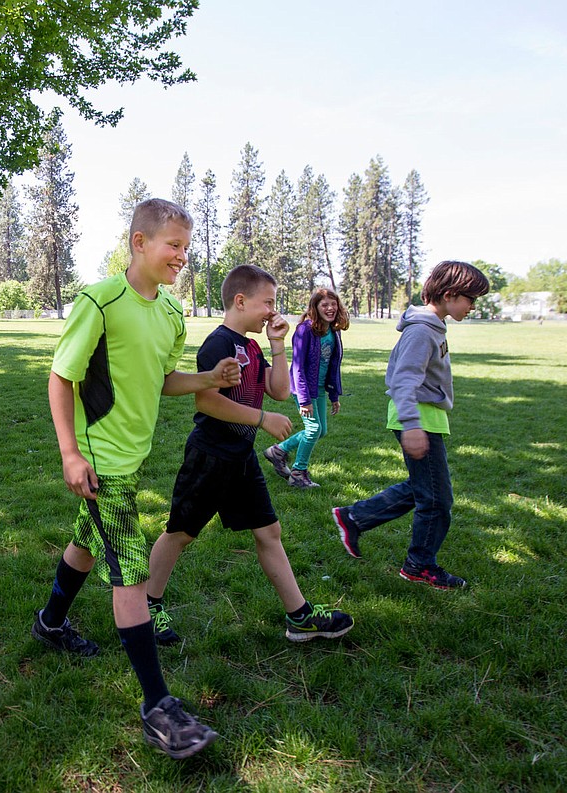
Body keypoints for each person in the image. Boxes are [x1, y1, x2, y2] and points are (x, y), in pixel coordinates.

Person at [33, 198, 240, 760]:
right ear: (140, 242)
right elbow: (61, 377)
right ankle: (157, 707)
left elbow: (162, 379)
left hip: (132, 453)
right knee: (129, 572)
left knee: (85, 541)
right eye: (173, 245)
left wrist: (210, 377)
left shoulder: (171, 311)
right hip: (102, 462)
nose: (181, 257)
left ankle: (50, 623)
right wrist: (71, 453)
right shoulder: (99, 301)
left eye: (186, 248)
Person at [147, 265, 354, 649]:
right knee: (180, 533)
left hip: (241, 458)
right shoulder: (219, 343)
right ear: (240, 301)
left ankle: (300, 616)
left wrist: (278, 345)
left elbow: (278, 391)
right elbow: (206, 401)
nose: (273, 311)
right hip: (210, 455)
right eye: (268, 303)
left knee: (268, 531)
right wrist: (261, 420)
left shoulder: (253, 346)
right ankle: (148, 605)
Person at [331, 260, 490, 589]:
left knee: (426, 490)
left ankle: (355, 517)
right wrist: (413, 426)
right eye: (470, 299)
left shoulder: (432, 326)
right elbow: (404, 381)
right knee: (438, 500)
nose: (473, 306)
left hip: (426, 416)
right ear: (449, 294)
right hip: (417, 418)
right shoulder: (421, 331)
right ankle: (419, 565)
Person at [263, 288, 349, 489]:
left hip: (319, 389)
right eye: (324, 305)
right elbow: (298, 367)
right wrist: (304, 400)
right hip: (303, 389)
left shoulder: (333, 331)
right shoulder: (305, 330)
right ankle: (298, 473)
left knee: (321, 431)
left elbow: (333, 365)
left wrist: (334, 395)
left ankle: (278, 451)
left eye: (333, 304)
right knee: (313, 429)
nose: (330, 308)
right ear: (315, 307)